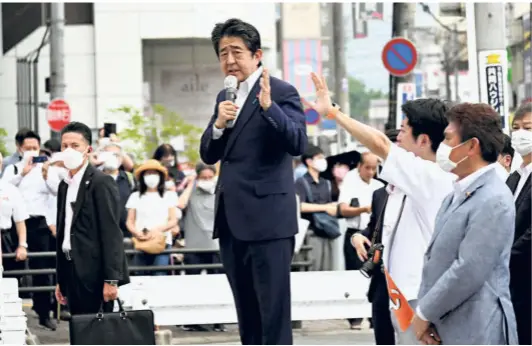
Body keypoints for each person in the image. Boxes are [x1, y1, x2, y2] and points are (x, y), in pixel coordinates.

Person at [310, 73, 454, 344]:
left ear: (423, 140)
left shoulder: (431, 175)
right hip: (400, 293)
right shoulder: (407, 181)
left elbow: (380, 143)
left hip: (419, 295)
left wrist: (333, 113)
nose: (397, 137)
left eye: (403, 130)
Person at [199, 18, 307, 345]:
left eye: (236, 52)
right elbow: (209, 154)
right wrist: (218, 123)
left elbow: (298, 143)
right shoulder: (225, 95)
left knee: (272, 314)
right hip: (232, 220)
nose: (229, 61)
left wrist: (269, 108)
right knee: (246, 313)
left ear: (257, 54)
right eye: (223, 53)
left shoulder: (282, 91)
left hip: (268, 221)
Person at [410, 103, 518, 344]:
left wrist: (424, 312)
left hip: (478, 326)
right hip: (449, 325)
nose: (442, 147)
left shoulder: (494, 199)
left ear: (471, 146)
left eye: (448, 139)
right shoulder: (456, 193)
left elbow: (468, 269)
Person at [54, 122, 129, 315]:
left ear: (88, 149)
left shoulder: (100, 182)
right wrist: (61, 279)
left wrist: (111, 279)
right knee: (78, 331)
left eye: (75, 145)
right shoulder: (64, 185)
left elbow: (111, 232)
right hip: (70, 268)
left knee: (98, 332)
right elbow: (64, 231)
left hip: (94, 272)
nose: (69, 150)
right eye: (64, 146)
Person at [3, 130, 57, 329]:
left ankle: (44, 312)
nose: (32, 152)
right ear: (19, 148)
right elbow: (5, 188)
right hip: (16, 223)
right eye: (28, 148)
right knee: (14, 268)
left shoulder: (46, 169)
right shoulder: (12, 169)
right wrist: (23, 173)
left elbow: (55, 190)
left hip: (39, 222)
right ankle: (11, 310)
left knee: (42, 268)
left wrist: (45, 173)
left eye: (35, 148)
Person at [338, 152, 383, 329]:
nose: (371, 172)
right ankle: (354, 316)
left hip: (373, 236)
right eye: (367, 168)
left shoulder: (379, 186)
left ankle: (373, 316)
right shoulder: (350, 181)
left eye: (374, 168)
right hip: (355, 232)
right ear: (359, 166)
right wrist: (363, 209)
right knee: (354, 273)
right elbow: (342, 209)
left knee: (375, 275)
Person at [125, 159, 178, 276]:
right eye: (148, 173)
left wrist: (158, 230)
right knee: (140, 276)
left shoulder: (169, 195)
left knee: (160, 275)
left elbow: (173, 220)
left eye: (154, 173)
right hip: (141, 241)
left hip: (162, 242)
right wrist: (136, 232)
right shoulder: (135, 196)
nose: (151, 176)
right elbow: (130, 221)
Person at [507, 102, 531, 345]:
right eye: (516, 127)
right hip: (510, 277)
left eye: (528, 127)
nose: (521, 133)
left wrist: (507, 254)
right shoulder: (514, 177)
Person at [295, 145, 338, 272]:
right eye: (319, 158)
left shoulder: (326, 183)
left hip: (327, 231)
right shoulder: (301, 182)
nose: (323, 161)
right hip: (311, 233)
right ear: (309, 162)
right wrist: (325, 207)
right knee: (313, 268)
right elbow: (300, 206)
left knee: (327, 268)